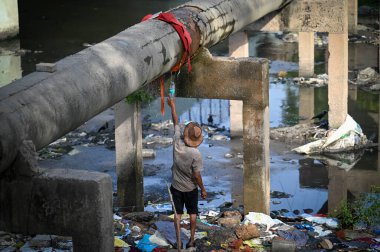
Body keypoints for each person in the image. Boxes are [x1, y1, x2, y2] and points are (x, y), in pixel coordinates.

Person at [167, 97, 207, 249]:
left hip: (176, 186)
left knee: (177, 214)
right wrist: (202, 189)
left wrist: (173, 106)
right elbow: (196, 175)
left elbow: (176, 122)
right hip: (190, 188)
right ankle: (191, 239)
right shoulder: (195, 154)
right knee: (193, 213)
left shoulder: (177, 142)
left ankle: (178, 241)